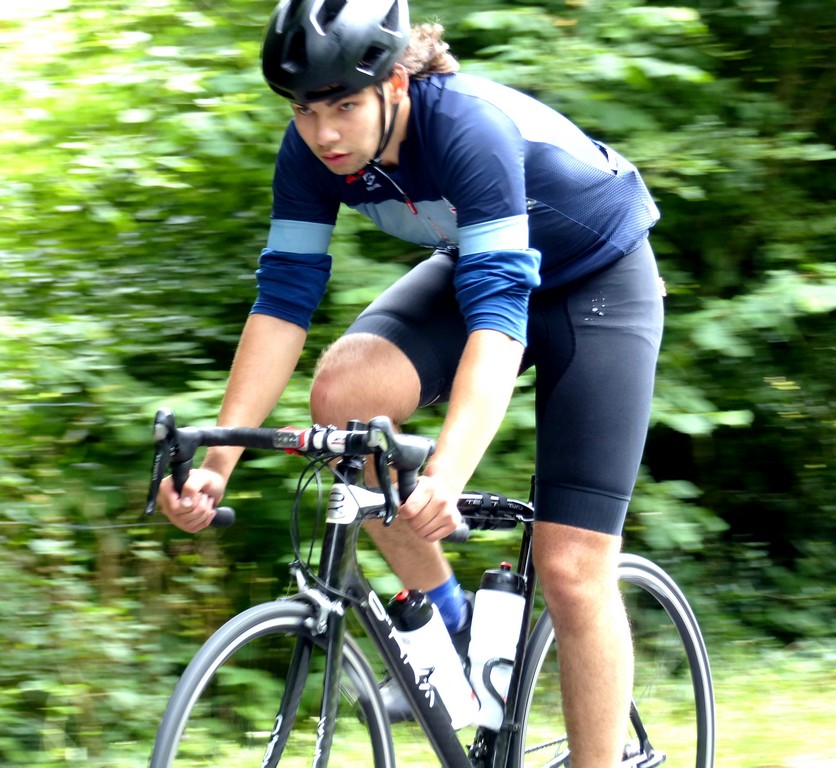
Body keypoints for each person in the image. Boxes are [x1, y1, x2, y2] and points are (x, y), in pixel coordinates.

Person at [157, 1, 665, 766]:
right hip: (487, 269)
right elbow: (283, 303)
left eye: (343, 106)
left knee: (569, 565)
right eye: (303, 109)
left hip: (599, 282)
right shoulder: (310, 154)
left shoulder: (465, 128)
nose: (323, 133)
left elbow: (499, 319)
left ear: (395, 83)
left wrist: (447, 475)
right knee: (344, 403)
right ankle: (452, 624)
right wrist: (218, 464)